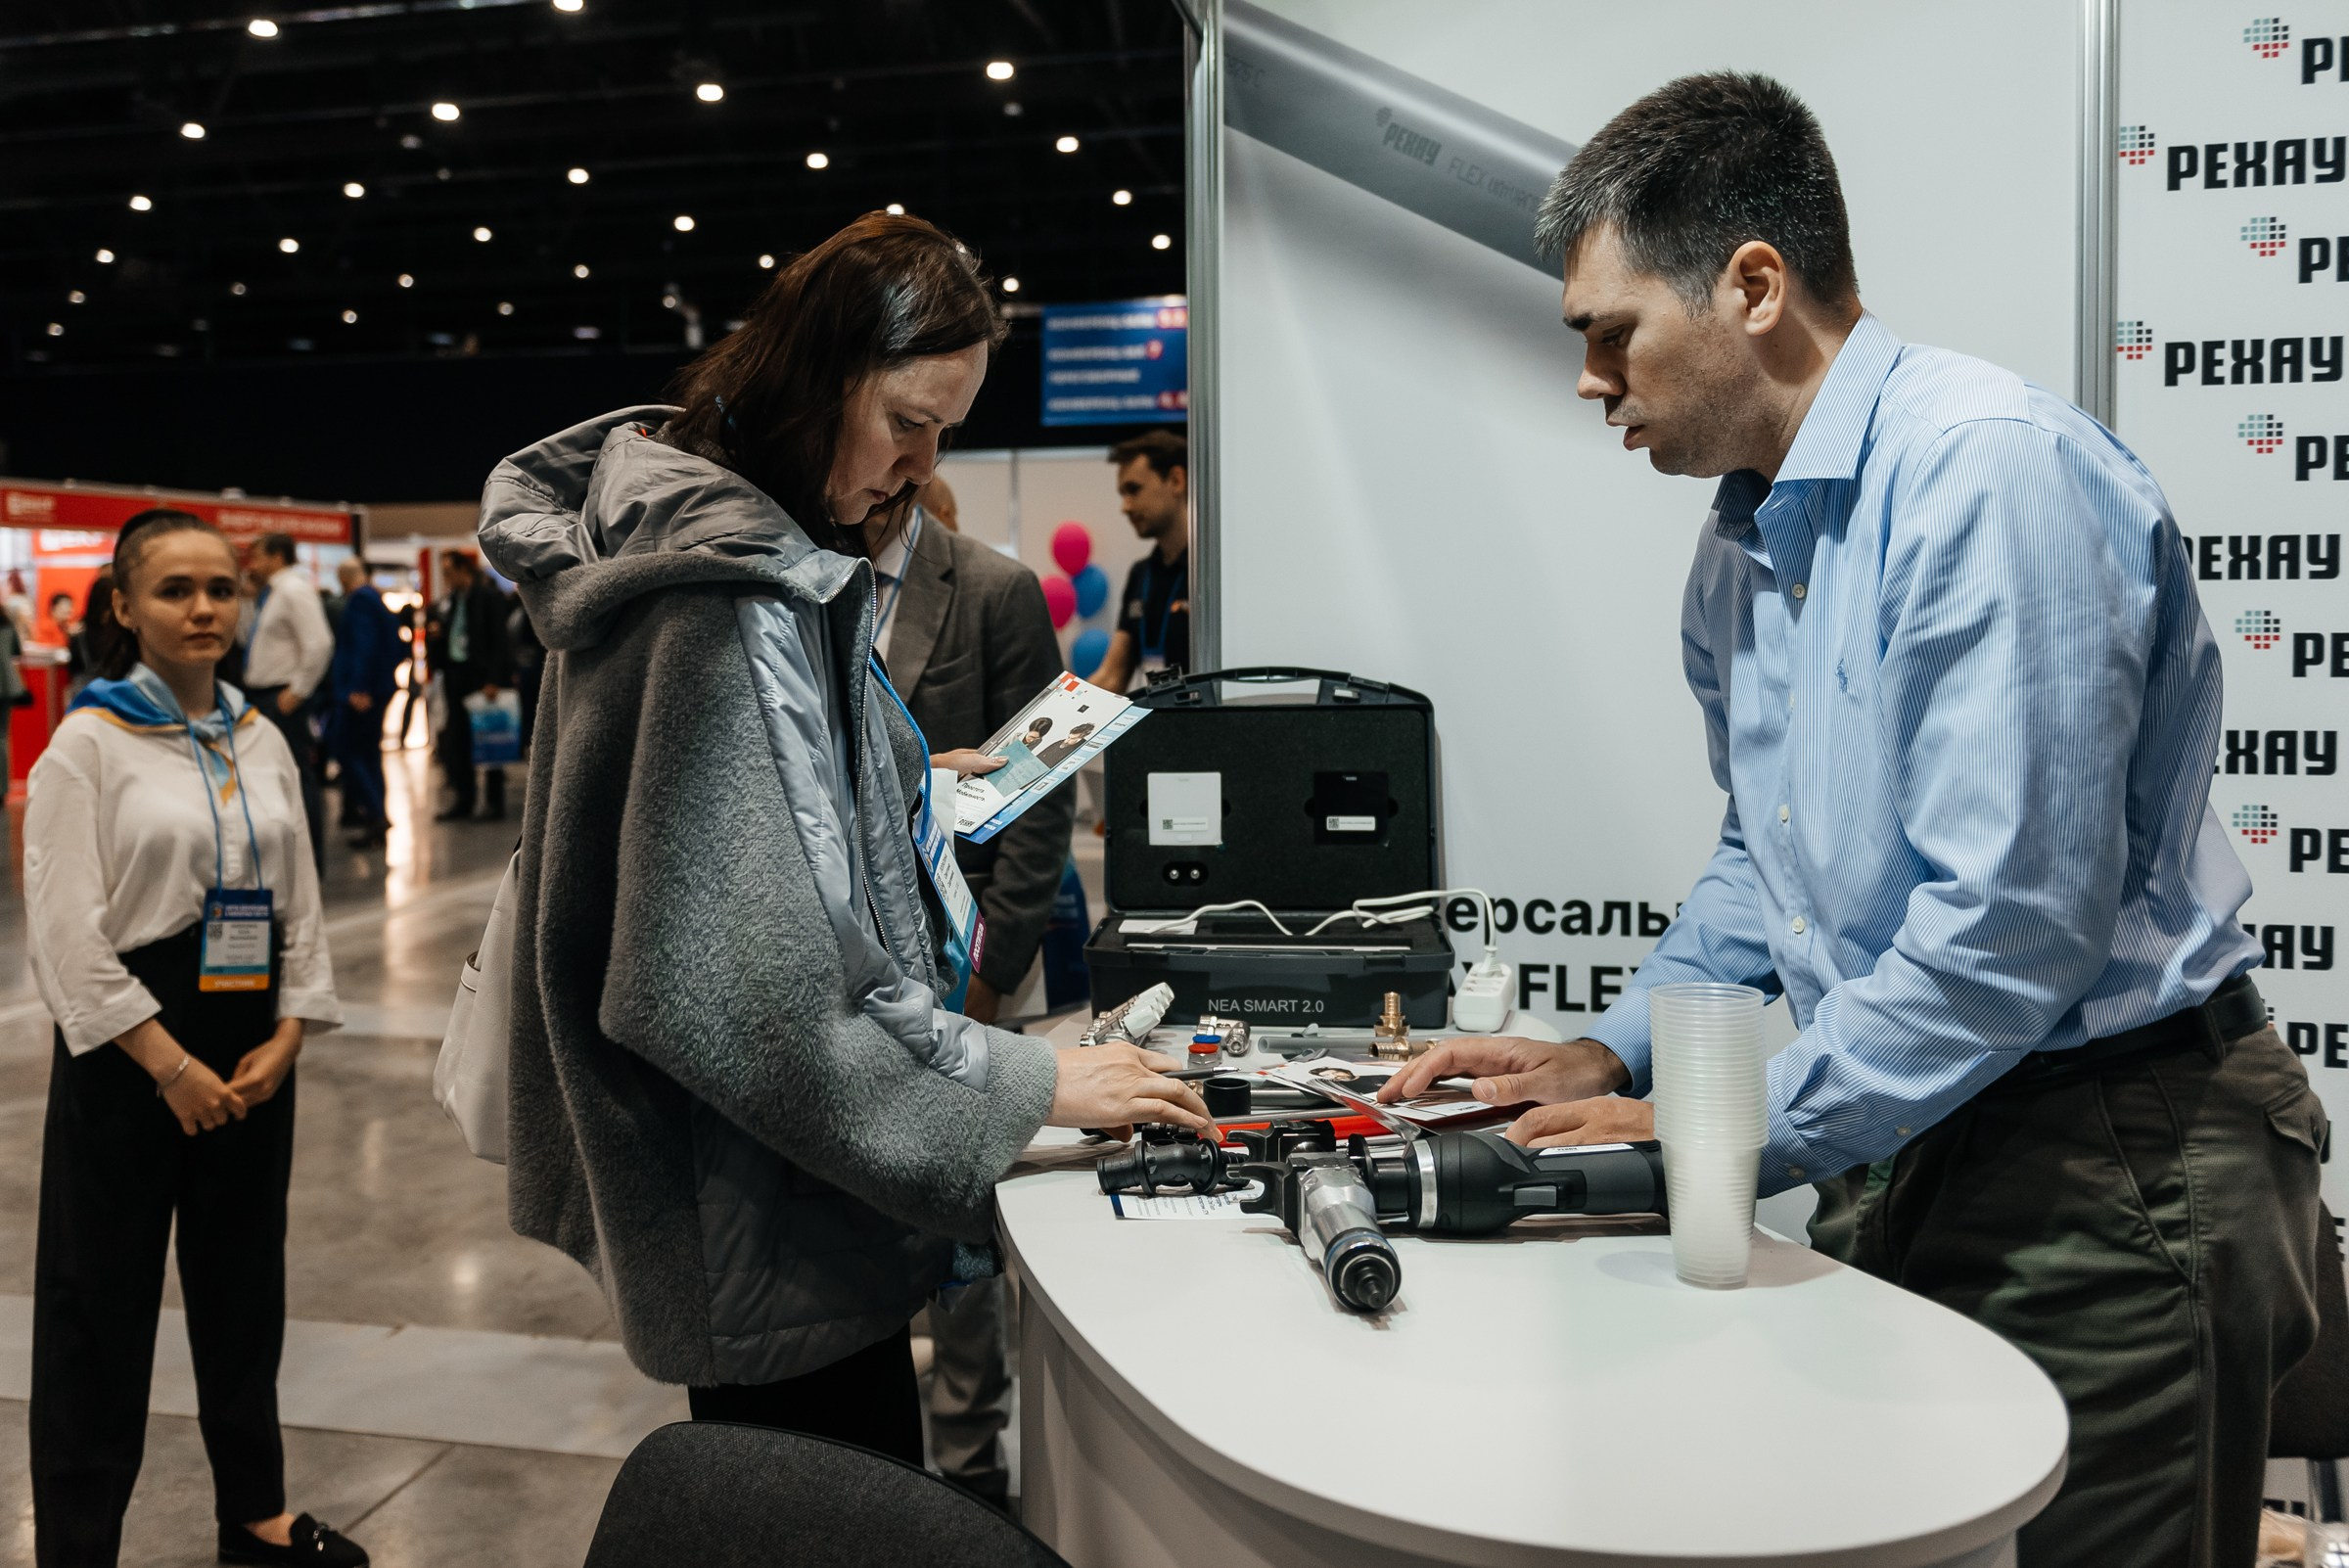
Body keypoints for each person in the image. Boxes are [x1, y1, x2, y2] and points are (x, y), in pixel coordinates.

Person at [1378, 73, 2326, 1568]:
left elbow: (2010, 931)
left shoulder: (1984, 475)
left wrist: (1718, 1130)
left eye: (1612, 332)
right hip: (1922, 1125)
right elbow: (1766, 858)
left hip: (2108, 1149)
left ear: (1754, 288)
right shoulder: (1743, 543)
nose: (1591, 381)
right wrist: (1613, 1050)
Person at [476, 210, 1211, 1464]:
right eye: (908, 421)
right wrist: (1027, 1083)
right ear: (819, 378)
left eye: (944, 434)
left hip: (779, 1194)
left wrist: (900, 774)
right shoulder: (721, 602)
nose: (920, 466)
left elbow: (752, 824)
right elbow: (741, 994)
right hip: (765, 1210)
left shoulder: (726, 555)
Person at [22, 509, 361, 1568]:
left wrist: (293, 1027)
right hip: (134, 1049)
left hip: (251, 1042)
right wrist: (168, 1067)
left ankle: (254, 1517)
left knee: (244, 1288)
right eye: (175, 590)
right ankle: (79, 1544)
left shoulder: (260, 736)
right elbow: (64, 935)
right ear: (124, 607)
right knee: (97, 1308)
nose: (205, 608)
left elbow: (300, 897)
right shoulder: (88, 743)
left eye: (222, 587)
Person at [871, 478, 1077, 1507]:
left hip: (970, 963)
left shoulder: (996, 590)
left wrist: (989, 977)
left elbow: (1038, 799)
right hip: (858, 975)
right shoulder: (801, 594)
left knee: (967, 1215)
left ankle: (968, 1462)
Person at [237, 534, 333, 875]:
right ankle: (287, 859)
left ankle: (309, 863)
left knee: (296, 777)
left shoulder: (293, 590)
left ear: (277, 557)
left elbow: (319, 644)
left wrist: (298, 691)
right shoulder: (272, 593)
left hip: (281, 698)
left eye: (258, 556)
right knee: (274, 777)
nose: (252, 563)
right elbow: (248, 639)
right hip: (264, 696)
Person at [1087, 430, 1190, 695]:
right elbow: (1112, 676)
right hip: (1155, 720)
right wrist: (1056, 711)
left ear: (1176, 481)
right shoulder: (1141, 574)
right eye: (1123, 494)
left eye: (1134, 490)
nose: (1125, 507)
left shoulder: (1213, 573)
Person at [427, 551, 512, 822]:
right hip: (457, 676)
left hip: (481, 678)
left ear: (464, 569)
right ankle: (464, 799)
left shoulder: (488, 597)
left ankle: (494, 802)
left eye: (449, 572)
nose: (446, 578)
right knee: (459, 740)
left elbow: (499, 641)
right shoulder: (451, 601)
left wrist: (494, 679)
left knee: (490, 738)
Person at [326, 559, 405, 849]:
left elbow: (363, 645)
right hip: (376, 690)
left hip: (361, 694)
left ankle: (375, 814)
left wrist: (359, 687)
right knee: (369, 755)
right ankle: (377, 815)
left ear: (343, 579)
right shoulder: (376, 599)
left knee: (348, 751)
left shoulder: (360, 601)